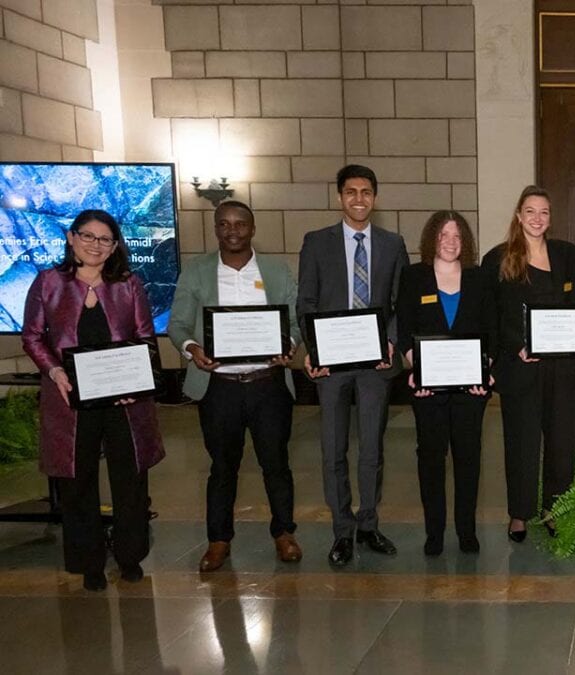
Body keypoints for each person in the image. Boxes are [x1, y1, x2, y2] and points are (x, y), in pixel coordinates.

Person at [21, 209, 164, 591]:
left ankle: (130, 554)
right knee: (76, 480)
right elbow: (33, 336)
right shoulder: (48, 283)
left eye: (104, 239)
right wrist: (54, 371)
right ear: (71, 238)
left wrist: (134, 381)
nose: (95, 245)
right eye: (88, 236)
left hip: (124, 400)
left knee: (130, 478)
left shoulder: (129, 284)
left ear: (115, 246)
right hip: (70, 399)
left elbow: (145, 338)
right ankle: (89, 562)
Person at [167, 200, 303, 572]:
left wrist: (287, 346)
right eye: (224, 224)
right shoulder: (196, 271)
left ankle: (284, 533)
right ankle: (218, 540)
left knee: (276, 463)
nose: (232, 231)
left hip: (267, 383)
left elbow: (295, 321)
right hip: (219, 386)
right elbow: (176, 324)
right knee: (222, 466)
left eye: (240, 224)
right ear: (215, 229)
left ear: (252, 228)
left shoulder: (275, 270)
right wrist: (192, 348)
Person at [297, 164, 409, 566]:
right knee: (333, 450)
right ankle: (341, 531)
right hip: (332, 367)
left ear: (374, 197)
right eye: (350, 192)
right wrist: (314, 348)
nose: (358, 199)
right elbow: (306, 303)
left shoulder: (393, 244)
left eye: (365, 192)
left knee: (372, 450)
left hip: (376, 365)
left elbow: (400, 302)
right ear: (339, 196)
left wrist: (392, 340)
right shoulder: (316, 242)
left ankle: (369, 524)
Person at [481, 185, 575, 542]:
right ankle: (520, 513)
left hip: (563, 367)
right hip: (520, 367)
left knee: (562, 443)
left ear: (550, 217)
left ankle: (554, 509)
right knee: (521, 442)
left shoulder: (568, 255)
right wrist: (512, 350)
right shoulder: (497, 259)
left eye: (544, 212)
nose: (537, 218)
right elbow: (492, 318)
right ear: (518, 216)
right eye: (530, 211)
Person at [396, 211, 495, 556]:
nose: (451, 242)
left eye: (457, 236)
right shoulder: (413, 277)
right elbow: (404, 328)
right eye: (443, 236)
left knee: (469, 458)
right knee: (431, 459)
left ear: (465, 242)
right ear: (431, 240)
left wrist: (486, 371)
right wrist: (416, 368)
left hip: (471, 391)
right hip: (428, 390)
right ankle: (434, 532)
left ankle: (467, 531)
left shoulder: (479, 278)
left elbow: (491, 330)